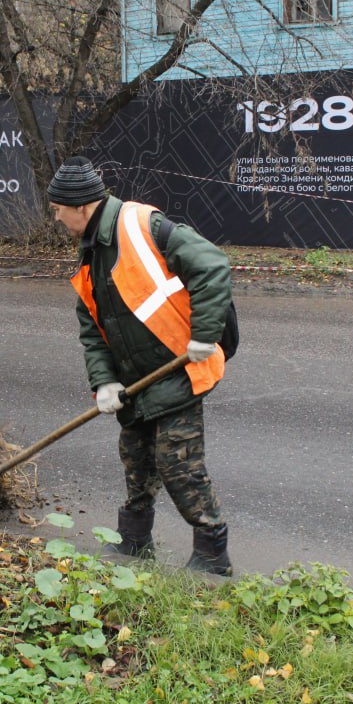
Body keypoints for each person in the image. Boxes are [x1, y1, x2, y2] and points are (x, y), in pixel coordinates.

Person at [47, 156, 235, 576]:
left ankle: (212, 556)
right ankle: (134, 542)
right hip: (135, 379)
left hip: (179, 368)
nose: (56, 218)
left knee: (178, 463)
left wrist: (204, 334)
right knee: (135, 458)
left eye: (59, 210)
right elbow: (92, 328)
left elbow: (212, 266)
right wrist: (105, 382)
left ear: (80, 206)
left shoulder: (141, 225)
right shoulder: (91, 252)